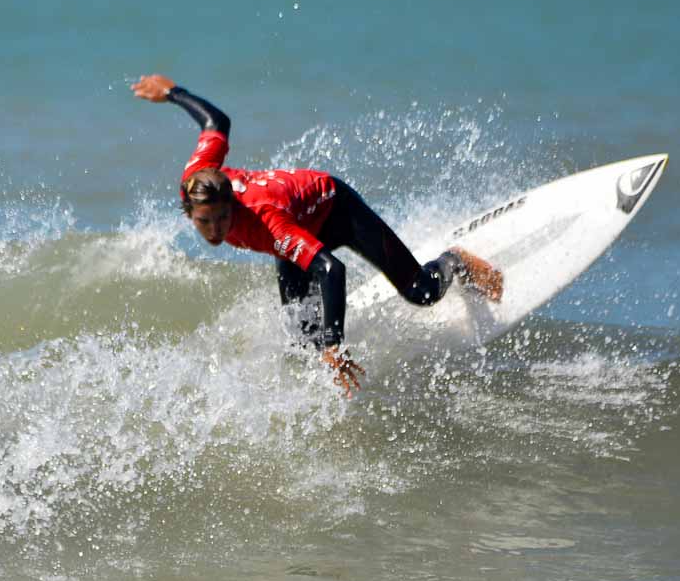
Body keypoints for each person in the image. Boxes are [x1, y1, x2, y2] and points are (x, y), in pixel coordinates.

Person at [132, 74, 503, 397]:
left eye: (223, 219)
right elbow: (217, 121)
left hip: (336, 209)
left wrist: (334, 343)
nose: (215, 231)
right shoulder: (197, 179)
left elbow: (331, 269)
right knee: (300, 336)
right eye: (205, 222)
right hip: (297, 221)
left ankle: (456, 260)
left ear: (234, 206)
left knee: (421, 292)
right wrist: (172, 92)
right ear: (188, 208)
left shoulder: (266, 223)